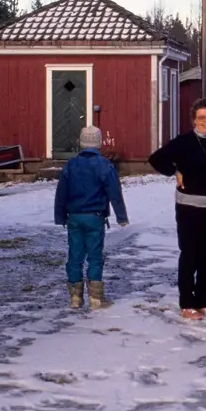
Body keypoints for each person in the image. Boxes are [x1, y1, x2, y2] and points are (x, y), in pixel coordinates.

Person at [148, 98, 206, 322]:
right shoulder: (183, 142)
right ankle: (187, 303)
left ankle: (204, 301)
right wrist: (175, 171)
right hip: (188, 209)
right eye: (202, 117)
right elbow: (155, 159)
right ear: (194, 120)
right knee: (190, 254)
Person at [54, 125, 129, 310]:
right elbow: (114, 192)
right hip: (95, 217)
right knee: (95, 256)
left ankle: (75, 298)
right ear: (98, 142)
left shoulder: (70, 165)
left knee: (75, 255)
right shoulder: (104, 165)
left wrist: (60, 216)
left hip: (74, 217)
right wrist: (121, 216)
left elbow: (61, 193)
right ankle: (96, 298)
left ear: (81, 142)